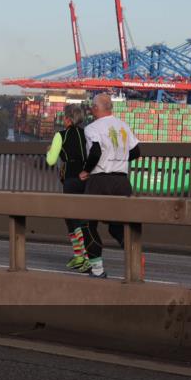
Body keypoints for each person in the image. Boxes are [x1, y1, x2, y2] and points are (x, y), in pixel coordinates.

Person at [79, 93, 142, 279]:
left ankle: (97, 270)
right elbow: (136, 151)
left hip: (100, 181)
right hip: (122, 182)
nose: (91, 110)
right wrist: (119, 159)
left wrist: (85, 171)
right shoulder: (123, 126)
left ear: (97, 108)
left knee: (88, 224)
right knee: (118, 226)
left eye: (92, 107)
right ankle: (134, 256)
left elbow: (96, 152)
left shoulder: (92, 128)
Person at [45, 104, 95, 271]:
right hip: (87, 178)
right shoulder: (87, 134)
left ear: (67, 119)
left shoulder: (61, 135)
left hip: (71, 179)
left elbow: (51, 161)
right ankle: (79, 256)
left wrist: (50, 151)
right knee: (81, 218)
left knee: (72, 218)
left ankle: (84, 257)